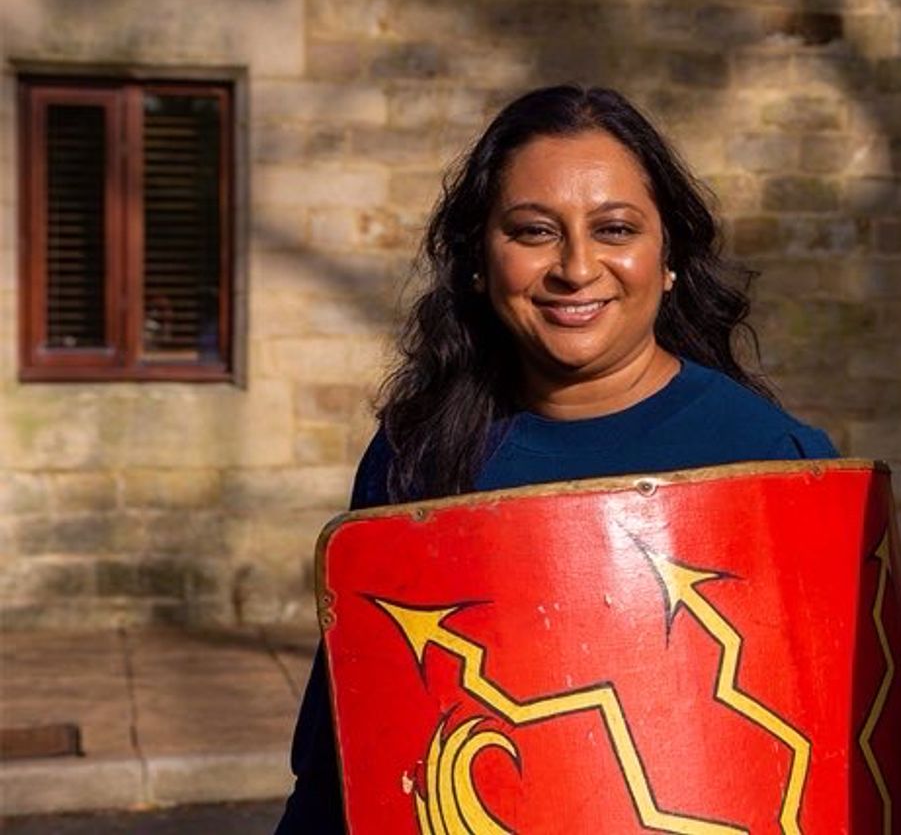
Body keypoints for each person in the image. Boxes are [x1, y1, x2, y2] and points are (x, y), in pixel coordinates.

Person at [275, 84, 836, 832]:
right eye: (534, 231)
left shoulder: (778, 466)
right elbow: (341, 767)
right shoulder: (414, 461)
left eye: (615, 228)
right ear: (479, 259)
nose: (577, 266)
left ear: (667, 256)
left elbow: (834, 773)